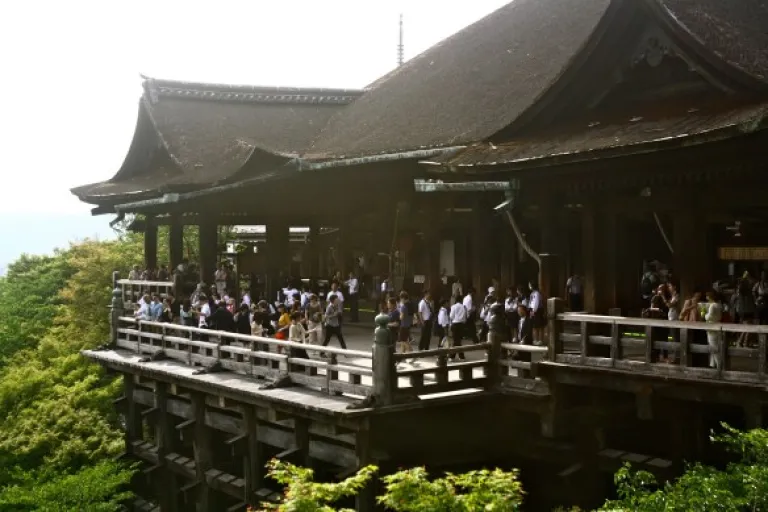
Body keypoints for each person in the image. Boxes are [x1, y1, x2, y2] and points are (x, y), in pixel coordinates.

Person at [704, 290, 723, 369]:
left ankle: (718, 365)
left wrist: (704, 314)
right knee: (716, 345)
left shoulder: (712, 306)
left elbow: (709, 316)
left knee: (713, 346)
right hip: (718, 325)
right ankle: (712, 364)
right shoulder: (719, 305)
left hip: (711, 326)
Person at [449, 294, 468, 360]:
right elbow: (466, 317)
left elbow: (451, 316)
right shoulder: (464, 307)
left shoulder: (453, 306)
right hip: (461, 325)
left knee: (456, 341)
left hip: (455, 324)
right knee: (458, 341)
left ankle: (453, 356)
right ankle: (460, 356)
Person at [398, 292, 414, 356]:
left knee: (403, 341)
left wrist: (399, 314)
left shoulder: (403, 307)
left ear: (403, 298)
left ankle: (412, 353)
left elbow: (401, 317)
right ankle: (401, 355)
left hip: (403, 325)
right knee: (403, 342)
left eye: (401, 299)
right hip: (408, 325)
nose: (400, 300)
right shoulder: (411, 305)